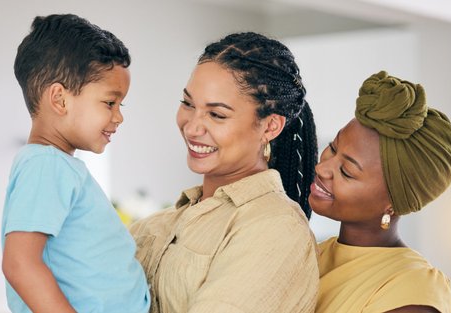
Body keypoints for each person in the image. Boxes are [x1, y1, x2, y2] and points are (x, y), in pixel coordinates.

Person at [130, 32, 319, 313]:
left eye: (217, 115)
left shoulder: (276, 229)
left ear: (270, 127)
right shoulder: (157, 225)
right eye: (188, 104)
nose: (192, 127)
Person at [1, 14, 149, 313]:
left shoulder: (58, 166)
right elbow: (20, 264)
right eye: (110, 103)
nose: (118, 116)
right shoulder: (46, 165)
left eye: (121, 105)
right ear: (60, 99)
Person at [310, 71, 451, 313]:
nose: (322, 168)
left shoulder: (413, 291)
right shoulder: (310, 254)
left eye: (347, 171)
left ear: (392, 204)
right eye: (332, 148)